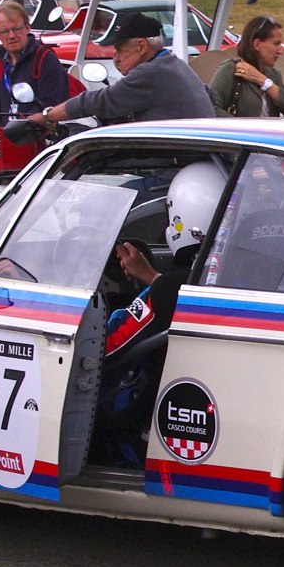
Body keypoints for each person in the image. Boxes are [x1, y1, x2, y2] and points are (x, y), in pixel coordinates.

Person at [97, 159, 227, 462]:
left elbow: (105, 346)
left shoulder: (168, 292)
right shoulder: (241, 278)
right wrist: (153, 279)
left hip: (160, 432)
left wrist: (154, 287)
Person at [29, 12, 214, 128]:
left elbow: (98, 101)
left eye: (119, 50)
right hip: (192, 161)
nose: (115, 58)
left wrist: (47, 116)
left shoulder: (150, 74)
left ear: (141, 47)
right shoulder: (175, 65)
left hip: (175, 167)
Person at [210, 15, 284, 118]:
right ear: (257, 44)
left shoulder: (273, 75)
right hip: (243, 133)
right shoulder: (231, 70)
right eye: (276, 44)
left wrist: (264, 82)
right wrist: (243, 130)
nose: (280, 51)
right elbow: (210, 107)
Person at [0, 0, 68, 112]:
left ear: (27, 28)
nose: (11, 36)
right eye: (5, 31)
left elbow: (51, 104)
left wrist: (22, 126)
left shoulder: (44, 58)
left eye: (16, 29)